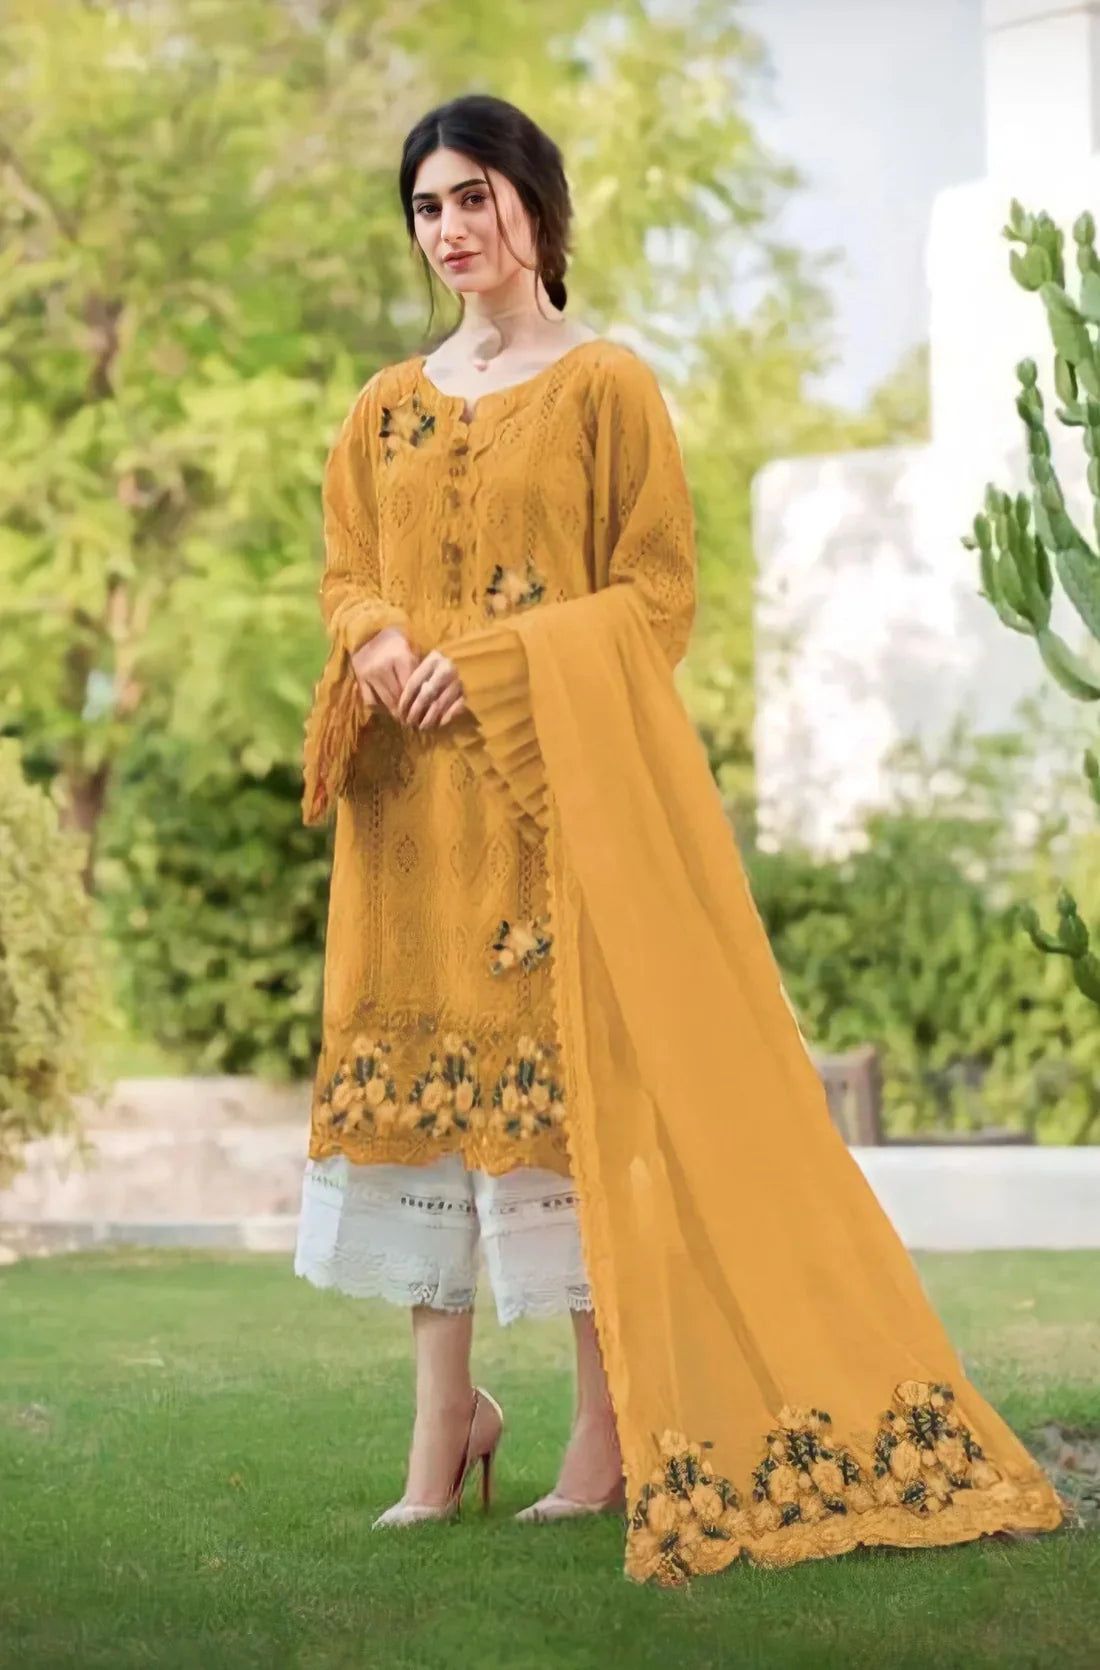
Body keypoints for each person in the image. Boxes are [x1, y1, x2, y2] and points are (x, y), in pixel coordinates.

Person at [297, 92, 1065, 1584]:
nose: (451, 229)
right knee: (431, 1115)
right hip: (410, 819)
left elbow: (655, 599)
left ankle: (601, 1437)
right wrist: (378, 635)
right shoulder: (383, 403)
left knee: (566, 1122)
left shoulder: (608, 391)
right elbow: (344, 567)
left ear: (536, 204)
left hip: (543, 808)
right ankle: (441, 1426)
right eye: (428, 207)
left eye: (474, 198)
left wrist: (508, 661)